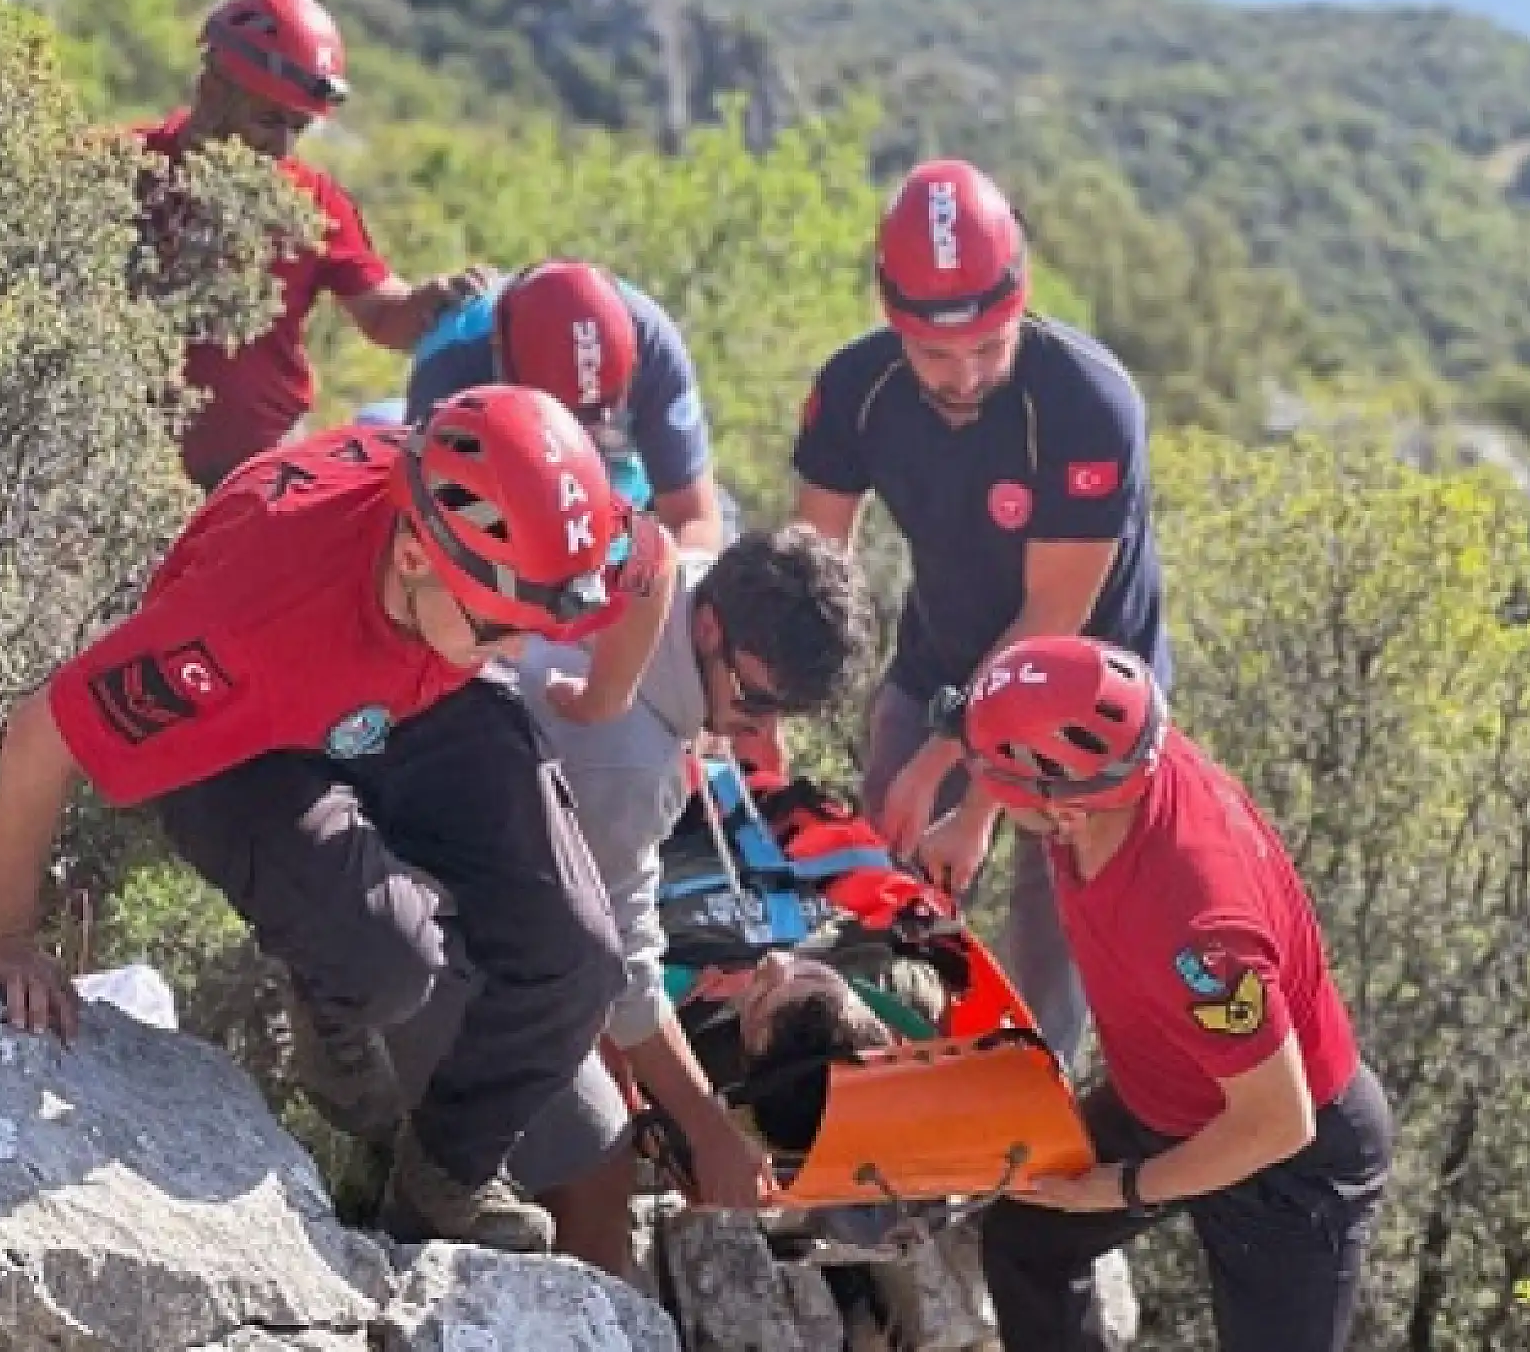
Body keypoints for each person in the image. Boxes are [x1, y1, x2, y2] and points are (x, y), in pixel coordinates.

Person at [0, 385, 680, 1253]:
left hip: (419, 681)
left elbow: (653, 564)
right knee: (386, 959)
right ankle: (335, 1025)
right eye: (505, 627)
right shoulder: (242, 619)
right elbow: (41, 737)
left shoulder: (531, 553)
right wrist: (5, 937)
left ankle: (439, 1187)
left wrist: (602, 695)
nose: (521, 653)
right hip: (244, 733)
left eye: (537, 629)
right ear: (419, 556)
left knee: (577, 956)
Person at [380, 522, 877, 1277]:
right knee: (597, 1164)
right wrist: (709, 1127)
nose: (759, 731)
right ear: (711, 629)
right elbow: (624, 973)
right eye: (757, 700)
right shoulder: (625, 756)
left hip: (401, 793)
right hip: (424, 908)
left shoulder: (673, 571)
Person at [792, 156, 1172, 1065]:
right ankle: (879, 1115)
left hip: (1090, 705)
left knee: (1056, 950)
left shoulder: (1087, 404)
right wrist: (758, 716)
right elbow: (811, 568)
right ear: (893, 320)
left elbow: (1052, 619)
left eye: (986, 350)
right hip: (940, 662)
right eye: (934, 354)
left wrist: (970, 792)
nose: (962, 376)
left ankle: (1029, 1140)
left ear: (1020, 303)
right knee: (886, 900)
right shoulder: (856, 391)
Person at [929, 635, 1394, 1352]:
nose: (984, 780)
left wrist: (1119, 1187)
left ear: (1064, 808)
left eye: (994, 774)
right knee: (1027, 1247)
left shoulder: (1199, 929)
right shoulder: (1116, 764)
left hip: (1289, 1162)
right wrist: (970, 820)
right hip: (1169, 1094)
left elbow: (1278, 1122)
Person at [137, 0, 492, 490]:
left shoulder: (311, 203)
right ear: (212, 88)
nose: (281, 145)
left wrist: (433, 301)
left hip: (264, 476)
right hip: (130, 472)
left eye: (296, 128)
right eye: (267, 120)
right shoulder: (122, 172)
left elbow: (382, 315)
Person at [405, 258, 727, 551]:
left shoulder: (654, 345)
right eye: (564, 415)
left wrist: (655, 596)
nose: (580, 431)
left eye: (593, 418)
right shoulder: (449, 364)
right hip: (500, 515)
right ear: (499, 355)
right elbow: (425, 522)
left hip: (625, 510)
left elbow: (693, 518)